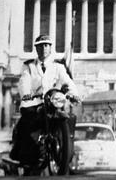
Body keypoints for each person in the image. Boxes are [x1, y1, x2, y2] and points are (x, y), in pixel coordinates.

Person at [9, 34, 79, 168]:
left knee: (69, 118)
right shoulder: (29, 66)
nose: (44, 48)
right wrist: (26, 94)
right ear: (36, 49)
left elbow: (67, 81)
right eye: (40, 46)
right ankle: (27, 156)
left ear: (50, 48)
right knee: (28, 123)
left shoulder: (58, 66)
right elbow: (24, 82)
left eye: (46, 45)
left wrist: (74, 94)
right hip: (34, 103)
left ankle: (66, 150)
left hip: (53, 102)